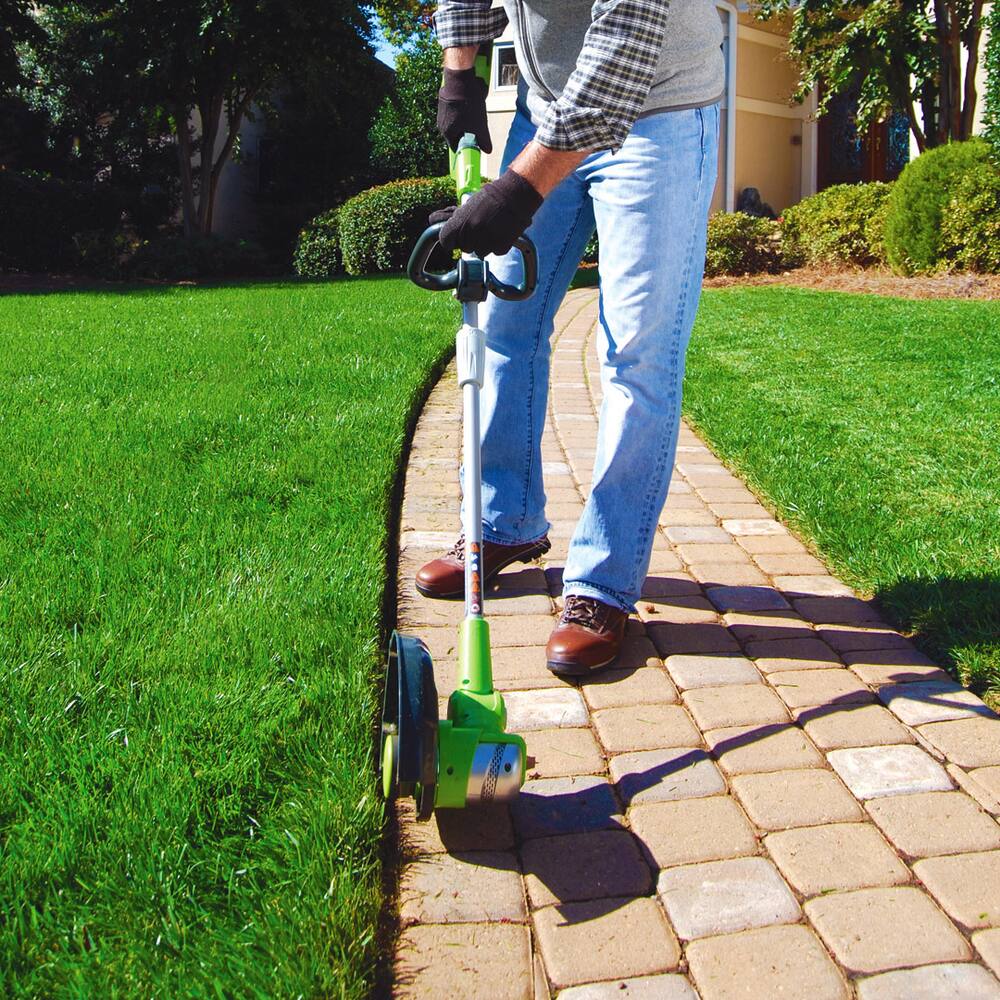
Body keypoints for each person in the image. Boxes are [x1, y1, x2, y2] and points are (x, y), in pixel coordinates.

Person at [416, 0, 725, 676]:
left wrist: (520, 191)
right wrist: (458, 70)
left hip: (660, 111)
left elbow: (624, 41)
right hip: (545, 105)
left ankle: (601, 582)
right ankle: (502, 522)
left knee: (637, 354)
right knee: (503, 321)